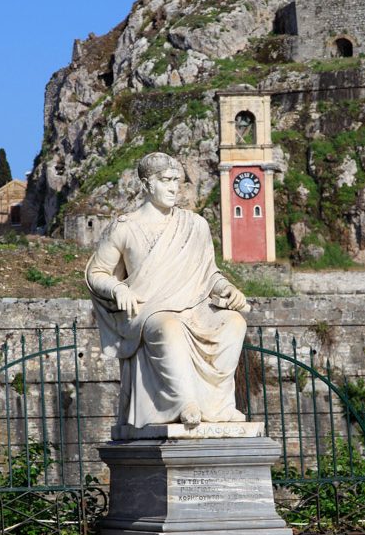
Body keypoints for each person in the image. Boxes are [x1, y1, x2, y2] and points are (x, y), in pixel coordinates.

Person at [85, 152, 249, 428]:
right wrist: (117, 288)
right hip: (149, 310)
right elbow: (96, 272)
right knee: (168, 327)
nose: (174, 188)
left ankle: (219, 406)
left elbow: (209, 274)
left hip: (193, 306)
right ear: (147, 185)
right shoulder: (125, 227)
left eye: (178, 181)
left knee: (233, 322)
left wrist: (227, 287)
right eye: (166, 181)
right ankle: (184, 403)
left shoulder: (195, 225)